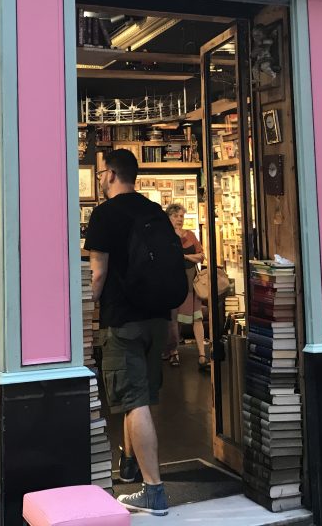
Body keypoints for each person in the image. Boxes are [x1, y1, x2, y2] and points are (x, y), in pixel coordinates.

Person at [85, 149, 170, 515]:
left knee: (132, 401)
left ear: (111, 174)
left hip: (122, 321)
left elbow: (98, 275)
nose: (101, 178)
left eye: (103, 172)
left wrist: (86, 309)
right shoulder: (154, 210)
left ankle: (154, 491)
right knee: (142, 397)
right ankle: (130, 463)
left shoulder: (104, 215)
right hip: (156, 318)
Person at [162, 203, 208, 369]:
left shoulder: (190, 235)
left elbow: (201, 256)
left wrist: (186, 257)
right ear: (168, 217)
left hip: (191, 281)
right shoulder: (165, 236)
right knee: (175, 320)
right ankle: (173, 351)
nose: (179, 219)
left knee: (197, 317)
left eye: (181, 216)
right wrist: (190, 256)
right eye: (175, 216)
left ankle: (202, 354)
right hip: (173, 282)